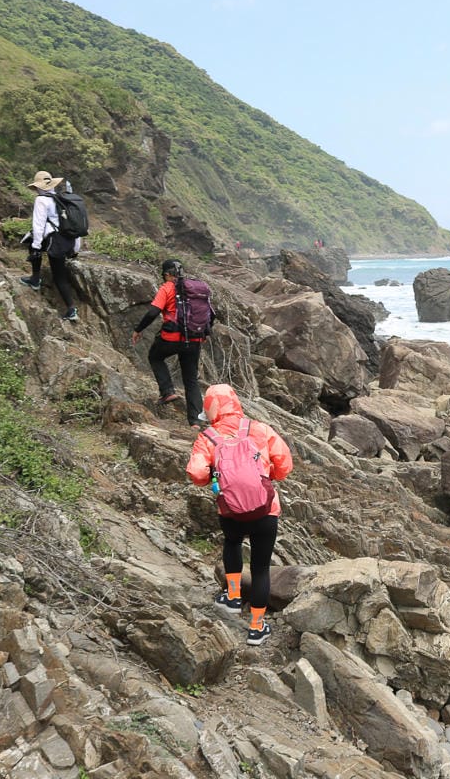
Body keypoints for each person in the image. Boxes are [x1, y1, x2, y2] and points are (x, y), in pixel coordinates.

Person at [186, 384, 293, 646]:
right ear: (235, 403)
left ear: (210, 409)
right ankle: (257, 627)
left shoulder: (207, 437)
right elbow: (284, 464)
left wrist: (214, 478)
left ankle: (233, 597)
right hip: (266, 509)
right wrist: (268, 476)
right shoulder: (259, 429)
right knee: (260, 568)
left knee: (232, 543)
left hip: (230, 510)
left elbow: (196, 473)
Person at [130, 258, 204, 425]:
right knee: (191, 379)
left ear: (167, 274)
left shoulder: (168, 287)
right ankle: (196, 422)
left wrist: (138, 330)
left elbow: (153, 312)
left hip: (172, 337)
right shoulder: (195, 287)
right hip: (194, 338)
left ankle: (167, 391)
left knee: (155, 357)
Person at [19, 170, 80, 321]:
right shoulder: (62, 198)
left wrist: (36, 247)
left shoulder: (41, 200)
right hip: (68, 241)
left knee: (58, 275)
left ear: (38, 187)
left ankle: (36, 280)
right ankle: (70, 308)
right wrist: (75, 248)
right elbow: (74, 223)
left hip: (55, 242)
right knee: (60, 275)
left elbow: (38, 225)